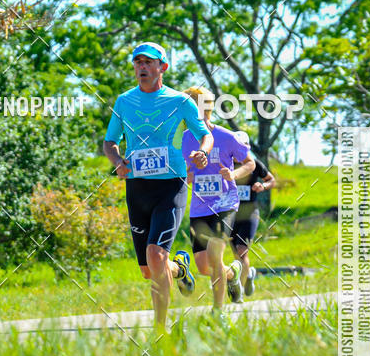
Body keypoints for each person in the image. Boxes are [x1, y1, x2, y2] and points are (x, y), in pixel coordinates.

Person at [103, 42, 213, 328]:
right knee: (149, 270)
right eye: (138, 62)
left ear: (162, 67)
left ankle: (159, 331)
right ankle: (180, 269)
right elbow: (109, 141)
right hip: (137, 189)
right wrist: (117, 160)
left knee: (155, 254)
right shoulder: (124, 101)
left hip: (170, 187)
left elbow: (205, 134)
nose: (142, 67)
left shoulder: (180, 101)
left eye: (148, 62)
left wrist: (202, 152)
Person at [181, 87, 255, 311]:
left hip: (225, 203)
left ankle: (218, 311)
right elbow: (182, 171)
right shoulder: (184, 140)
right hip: (199, 207)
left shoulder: (226, 136)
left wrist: (233, 174)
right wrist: (188, 176)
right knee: (204, 267)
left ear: (207, 109)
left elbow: (250, 163)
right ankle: (233, 273)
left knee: (215, 256)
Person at [230, 131, 276, 296]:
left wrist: (263, 186)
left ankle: (239, 291)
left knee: (242, 251)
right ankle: (248, 274)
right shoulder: (225, 164)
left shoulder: (255, 164)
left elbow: (271, 180)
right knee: (237, 254)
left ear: (247, 148)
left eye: (241, 147)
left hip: (250, 213)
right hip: (230, 214)